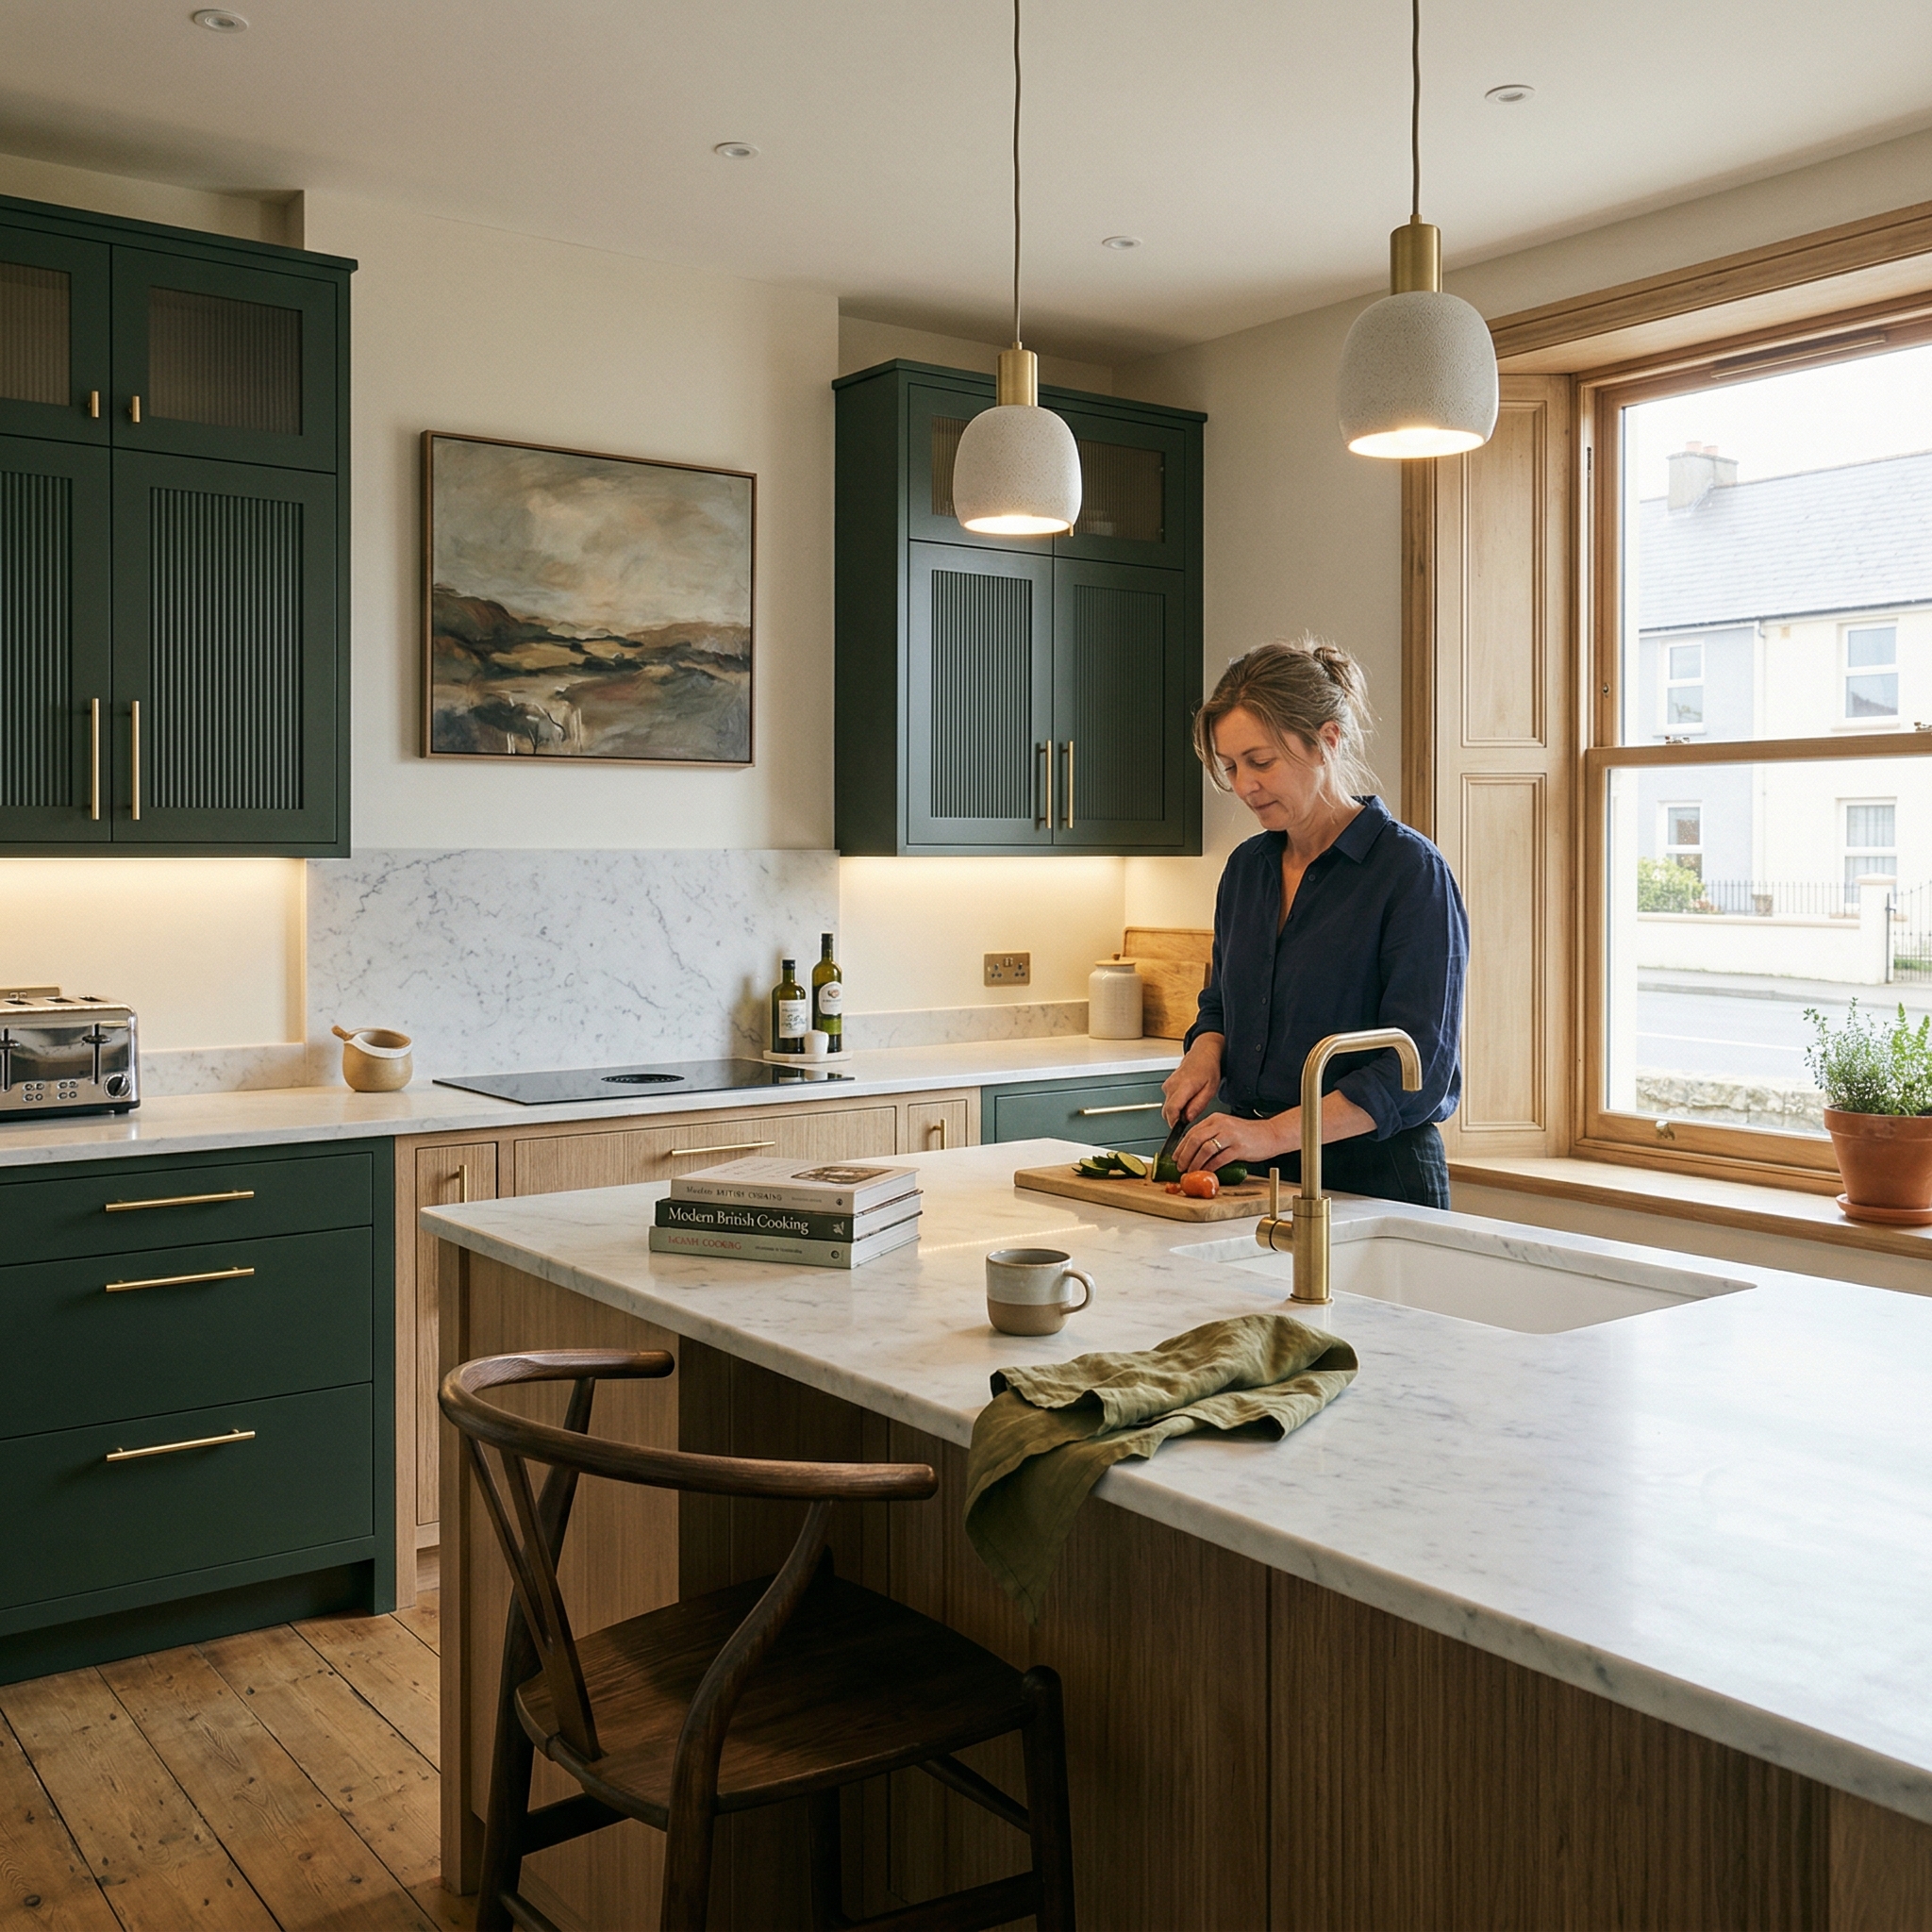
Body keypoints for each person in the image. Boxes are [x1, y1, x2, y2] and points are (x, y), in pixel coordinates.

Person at [1164, 636, 1468, 1209]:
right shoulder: (1246, 870)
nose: (1244, 785)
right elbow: (1223, 1003)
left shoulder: (1410, 872)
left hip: (1376, 1183)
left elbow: (1417, 1068)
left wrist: (1269, 1134)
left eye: (1261, 762)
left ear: (1327, 740)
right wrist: (1206, 1049)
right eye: (1230, 767)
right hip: (1259, 1172)